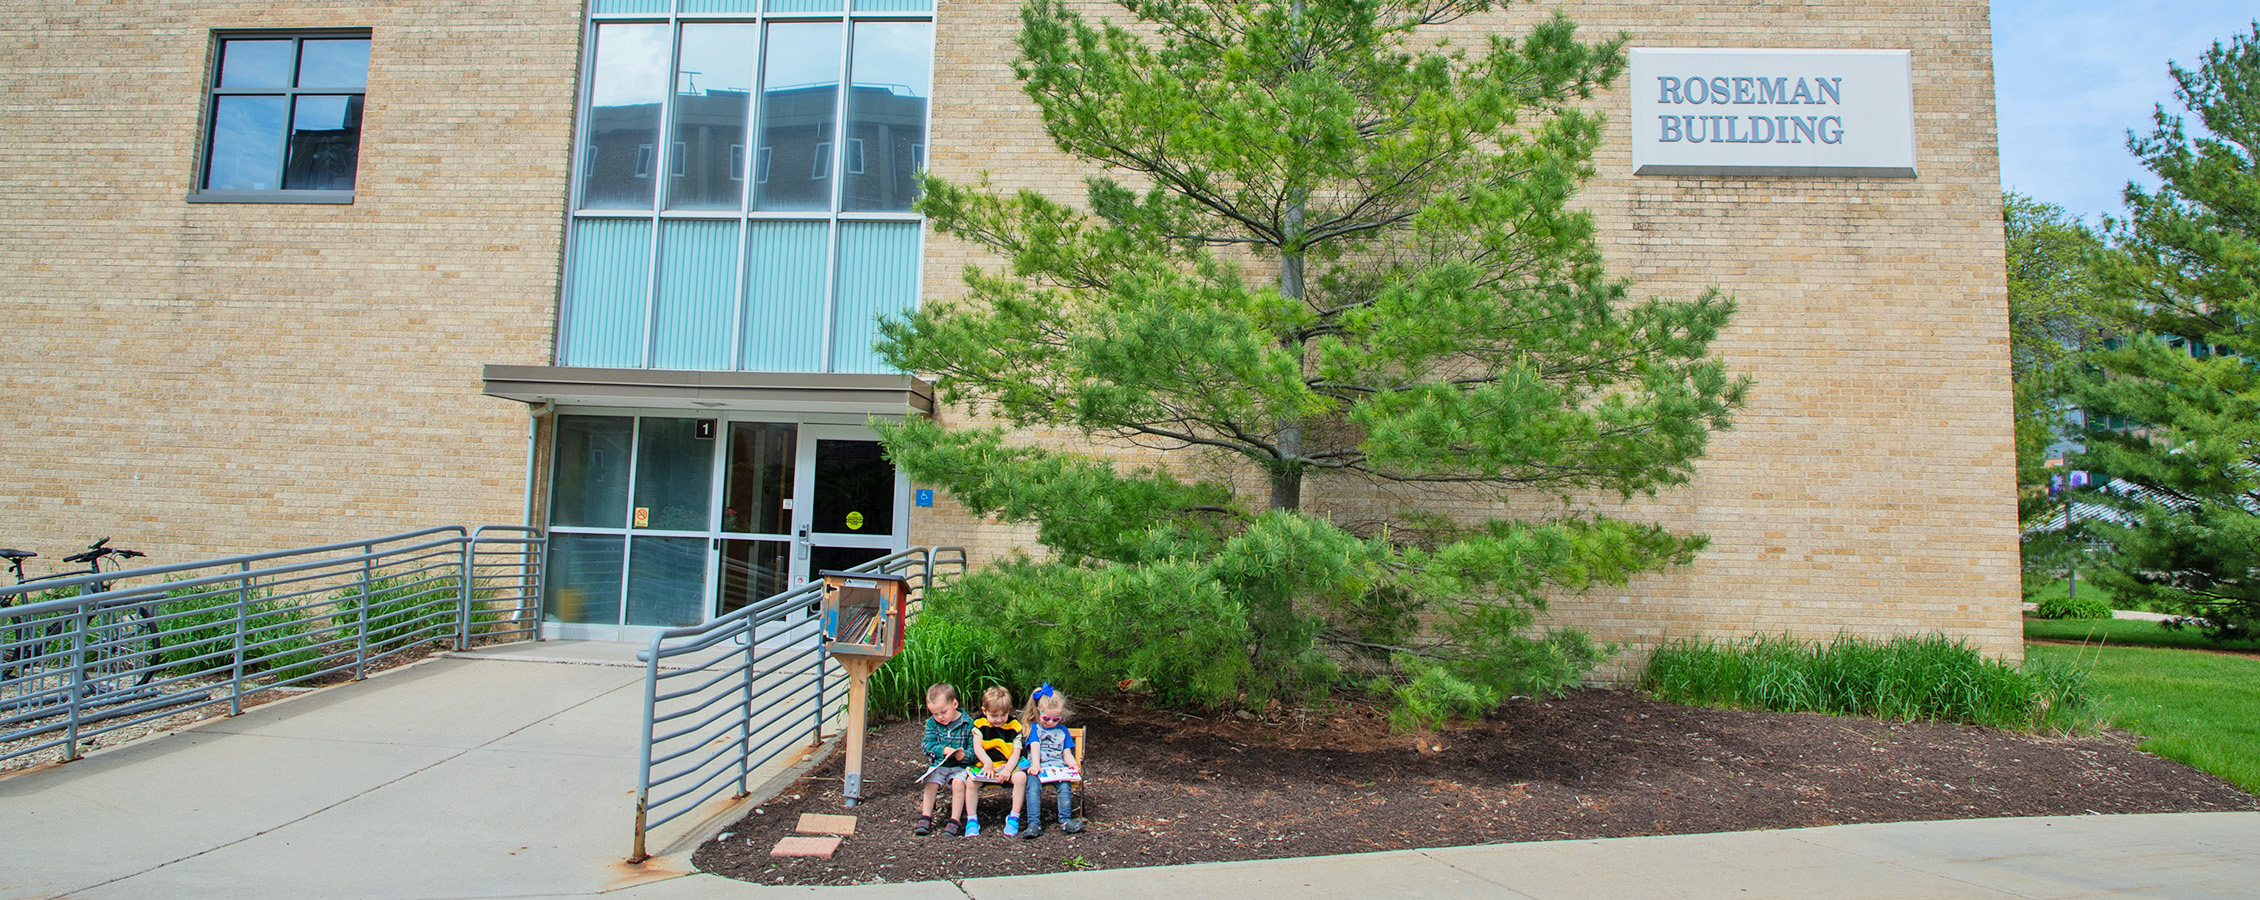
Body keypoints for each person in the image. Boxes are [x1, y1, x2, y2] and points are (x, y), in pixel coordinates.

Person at [1018, 683, 1084, 838]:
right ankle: (1033, 823)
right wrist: (1035, 765)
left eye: (1056, 719)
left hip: (1057, 768)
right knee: (1033, 787)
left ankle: (1065, 821)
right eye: (1046, 718)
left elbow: (1066, 752)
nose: (1050, 722)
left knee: (1065, 787)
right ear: (1039, 712)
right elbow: (1034, 747)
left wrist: (1073, 764)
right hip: (1039, 767)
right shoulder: (1035, 728)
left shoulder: (1063, 731)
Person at [915, 682, 975, 836]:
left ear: (954, 704)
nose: (940, 717)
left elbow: (974, 751)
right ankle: (926, 817)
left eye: (943, 712)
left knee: (958, 783)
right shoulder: (932, 724)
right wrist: (943, 750)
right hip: (939, 765)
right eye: (935, 714)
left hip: (960, 767)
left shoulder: (967, 724)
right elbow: (927, 745)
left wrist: (964, 756)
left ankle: (955, 820)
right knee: (931, 782)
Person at [969, 685, 1030, 836]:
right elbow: (977, 747)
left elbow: (1016, 752)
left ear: (1009, 710)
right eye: (994, 715)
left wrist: (1008, 769)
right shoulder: (980, 724)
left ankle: (1014, 816)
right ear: (984, 711)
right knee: (971, 782)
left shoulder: (1014, 726)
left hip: (1007, 764)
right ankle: (972, 819)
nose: (998, 720)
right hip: (986, 764)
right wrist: (987, 764)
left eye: (1003, 715)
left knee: (1021, 778)